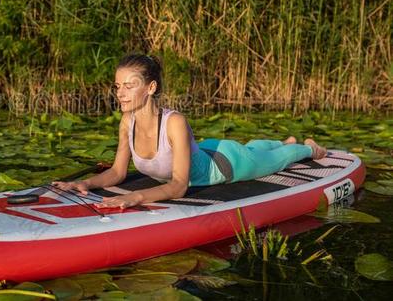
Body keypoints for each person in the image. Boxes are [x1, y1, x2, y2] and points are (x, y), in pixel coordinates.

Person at [52, 54, 327, 209]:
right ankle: (281, 141)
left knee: (279, 157)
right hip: (207, 149)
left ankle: (307, 146)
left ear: (150, 88)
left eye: (129, 85)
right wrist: (86, 183)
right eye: (117, 86)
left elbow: (179, 186)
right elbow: (117, 173)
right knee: (256, 146)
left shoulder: (174, 122)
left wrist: (135, 196)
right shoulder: (127, 122)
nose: (120, 93)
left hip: (229, 163)